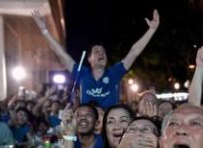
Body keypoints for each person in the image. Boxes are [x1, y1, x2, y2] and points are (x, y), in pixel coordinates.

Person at [32, 9, 160, 109]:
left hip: (109, 128)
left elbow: (134, 52)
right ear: (89, 59)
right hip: (89, 127)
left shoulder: (114, 73)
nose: (101, 53)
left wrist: (152, 30)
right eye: (97, 51)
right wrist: (44, 30)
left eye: (103, 51)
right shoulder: (81, 73)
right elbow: (61, 54)